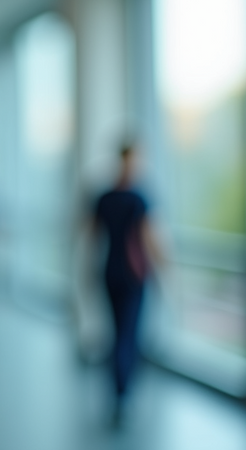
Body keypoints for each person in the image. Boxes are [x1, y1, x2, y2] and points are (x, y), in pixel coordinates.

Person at [90, 143, 163, 424]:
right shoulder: (139, 198)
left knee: (116, 332)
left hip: (110, 270)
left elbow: (92, 235)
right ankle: (123, 393)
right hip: (133, 275)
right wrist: (164, 273)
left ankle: (118, 392)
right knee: (128, 334)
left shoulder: (104, 197)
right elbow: (150, 239)